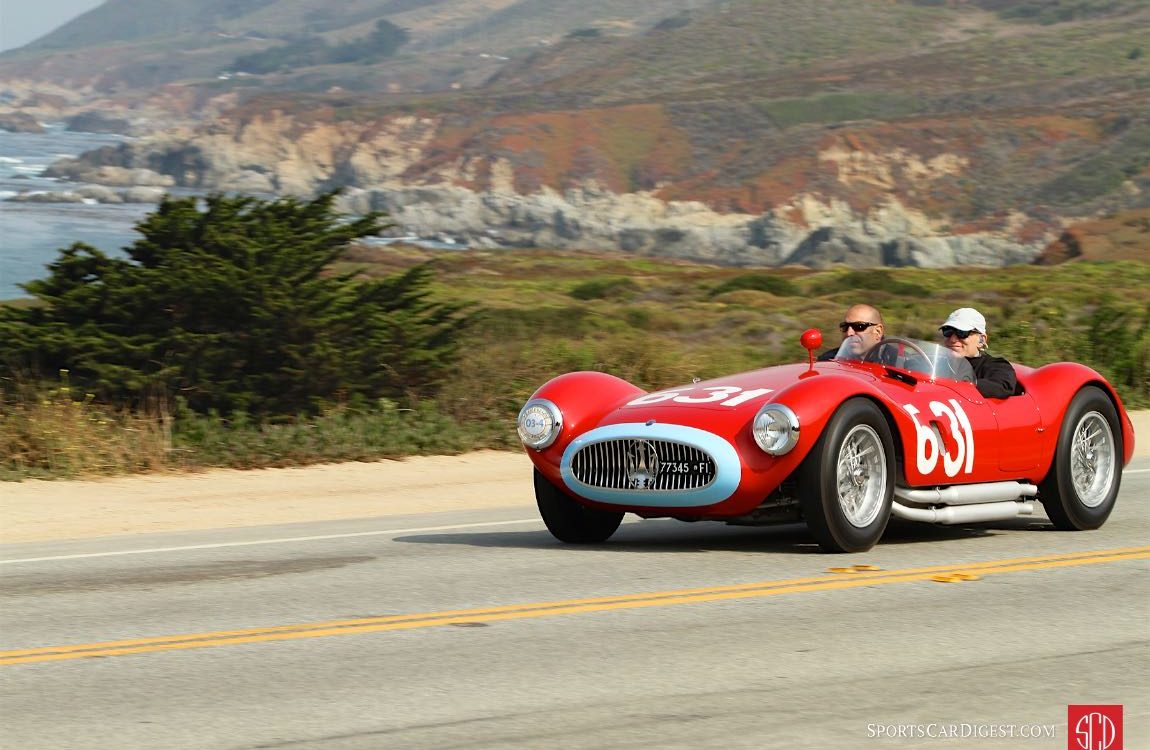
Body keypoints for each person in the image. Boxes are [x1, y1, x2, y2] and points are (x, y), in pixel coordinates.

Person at [938, 307, 1019, 398]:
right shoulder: (935, 363)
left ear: (981, 340)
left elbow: (1002, 386)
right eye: (948, 332)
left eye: (962, 333)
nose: (952, 339)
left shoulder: (996, 366)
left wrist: (963, 385)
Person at [818, 303, 885, 361]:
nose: (849, 333)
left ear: (878, 331)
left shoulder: (893, 362)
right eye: (845, 327)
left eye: (859, 326)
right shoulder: (827, 360)